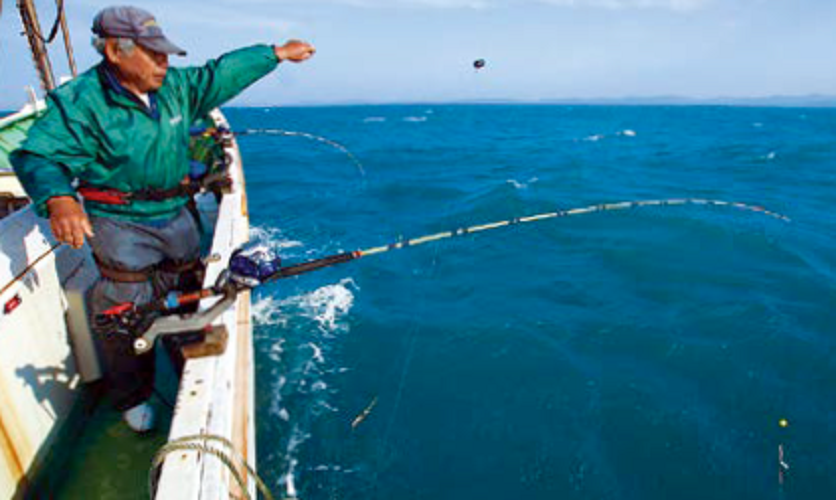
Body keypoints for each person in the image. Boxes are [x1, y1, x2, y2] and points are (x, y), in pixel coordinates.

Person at [11, 5, 315, 433]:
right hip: (120, 223)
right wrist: (60, 199)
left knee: (188, 289)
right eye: (153, 54)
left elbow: (218, 75)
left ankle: (196, 362)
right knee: (125, 313)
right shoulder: (81, 103)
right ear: (116, 51)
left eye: (166, 54)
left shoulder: (174, 87)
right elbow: (37, 155)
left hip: (177, 215)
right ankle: (132, 396)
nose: (164, 64)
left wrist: (274, 54)